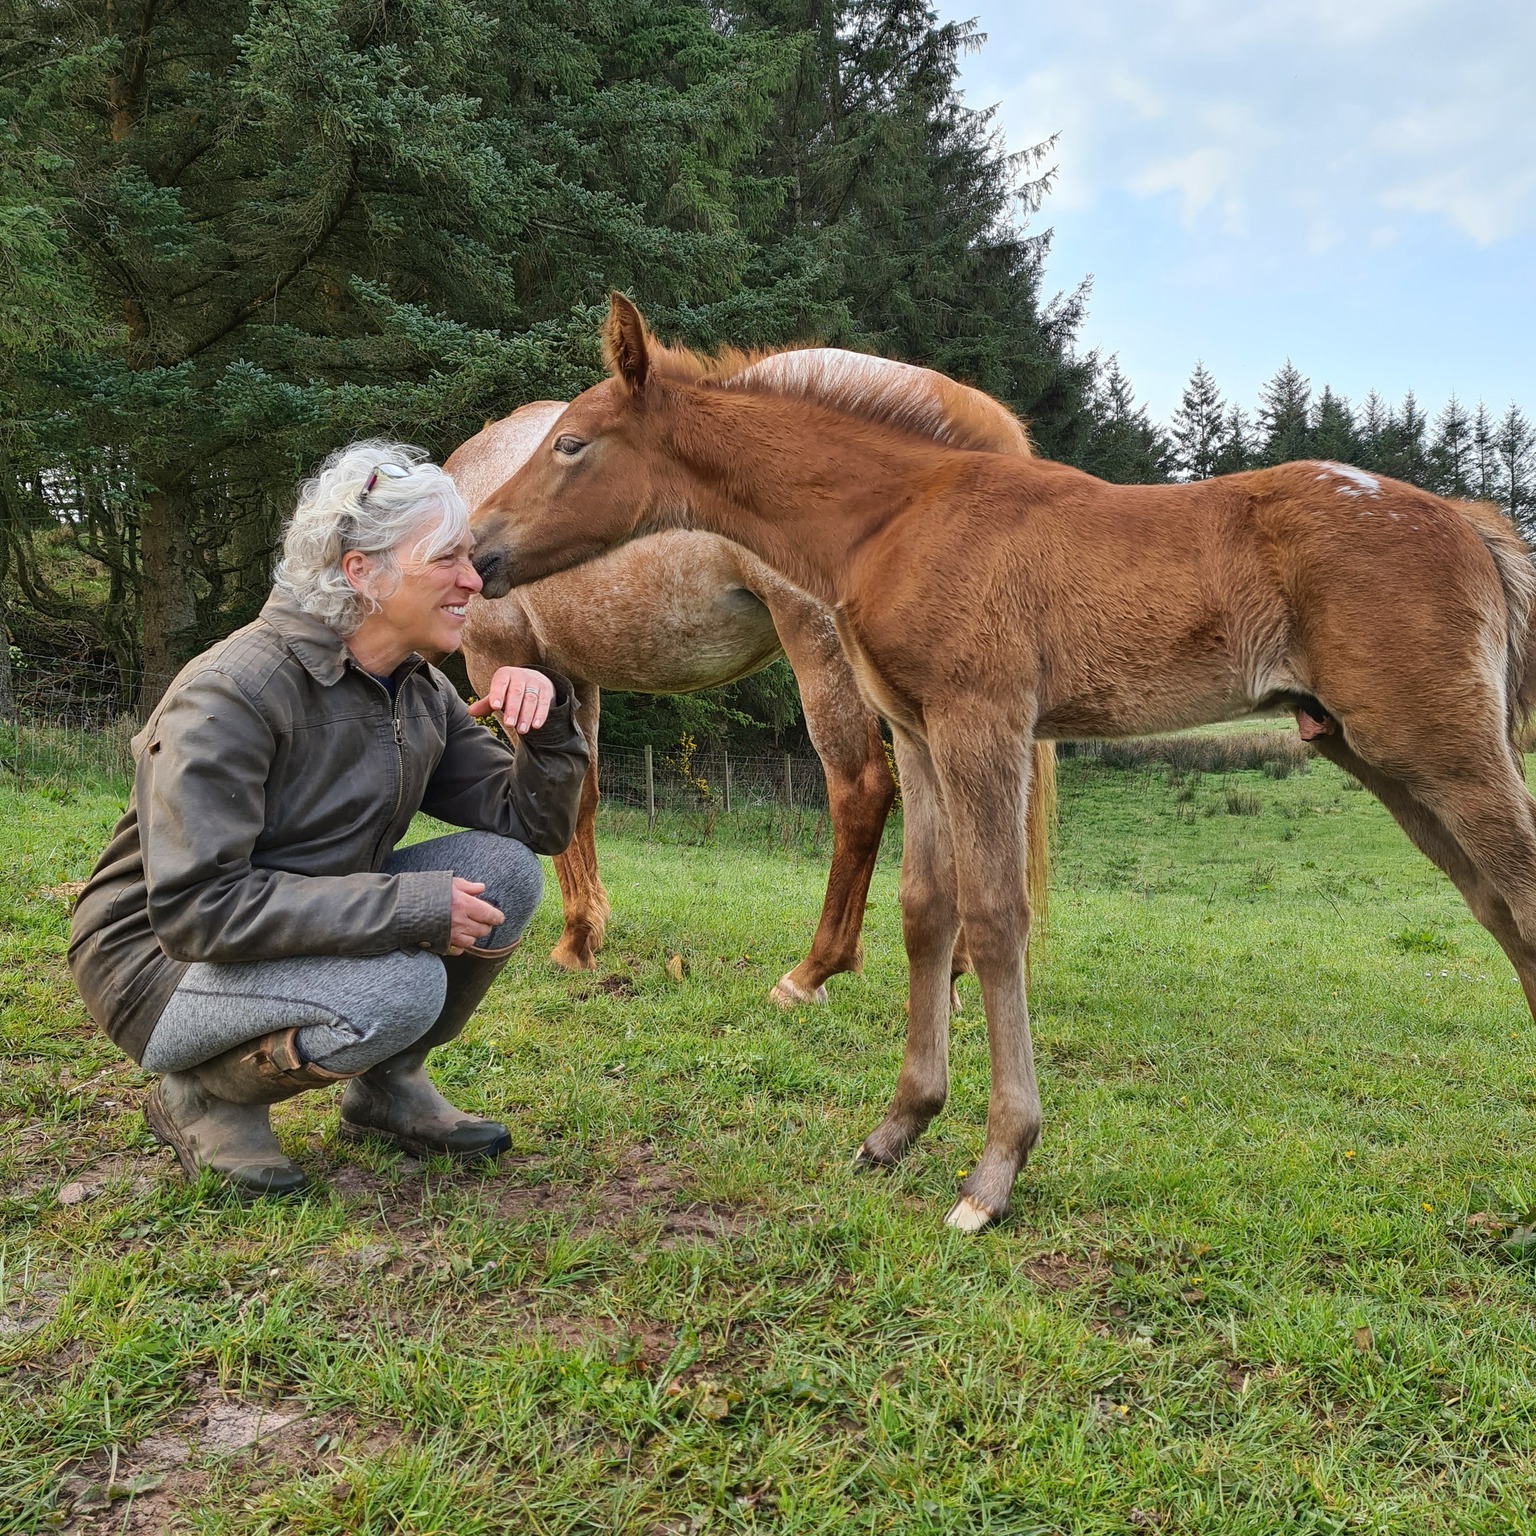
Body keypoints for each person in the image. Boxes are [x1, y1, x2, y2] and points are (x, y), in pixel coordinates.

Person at [68, 441, 588, 1198]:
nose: (474, 581)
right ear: (361, 570)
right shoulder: (233, 692)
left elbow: (530, 827)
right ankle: (205, 1096)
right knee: (400, 985)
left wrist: (544, 724)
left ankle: (387, 1088)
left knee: (502, 873)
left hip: (284, 929)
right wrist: (407, 907)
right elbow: (194, 912)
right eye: (447, 559)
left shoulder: (412, 687)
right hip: (157, 965)